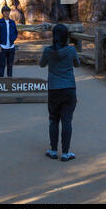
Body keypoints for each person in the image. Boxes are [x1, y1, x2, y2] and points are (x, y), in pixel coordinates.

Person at [39, 24, 81, 162]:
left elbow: (41, 64)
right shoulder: (71, 50)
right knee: (67, 121)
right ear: (66, 36)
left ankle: (53, 150)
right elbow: (77, 64)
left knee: (53, 120)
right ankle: (65, 152)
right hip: (69, 89)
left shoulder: (48, 51)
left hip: (54, 89)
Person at [0, 6, 18, 77]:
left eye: (8, 11)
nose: (7, 13)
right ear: (2, 13)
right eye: (5, 11)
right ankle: (1, 80)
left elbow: (16, 33)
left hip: (11, 47)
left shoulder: (12, 22)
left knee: (10, 65)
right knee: (2, 64)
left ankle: (9, 80)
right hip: (2, 47)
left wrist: (12, 39)